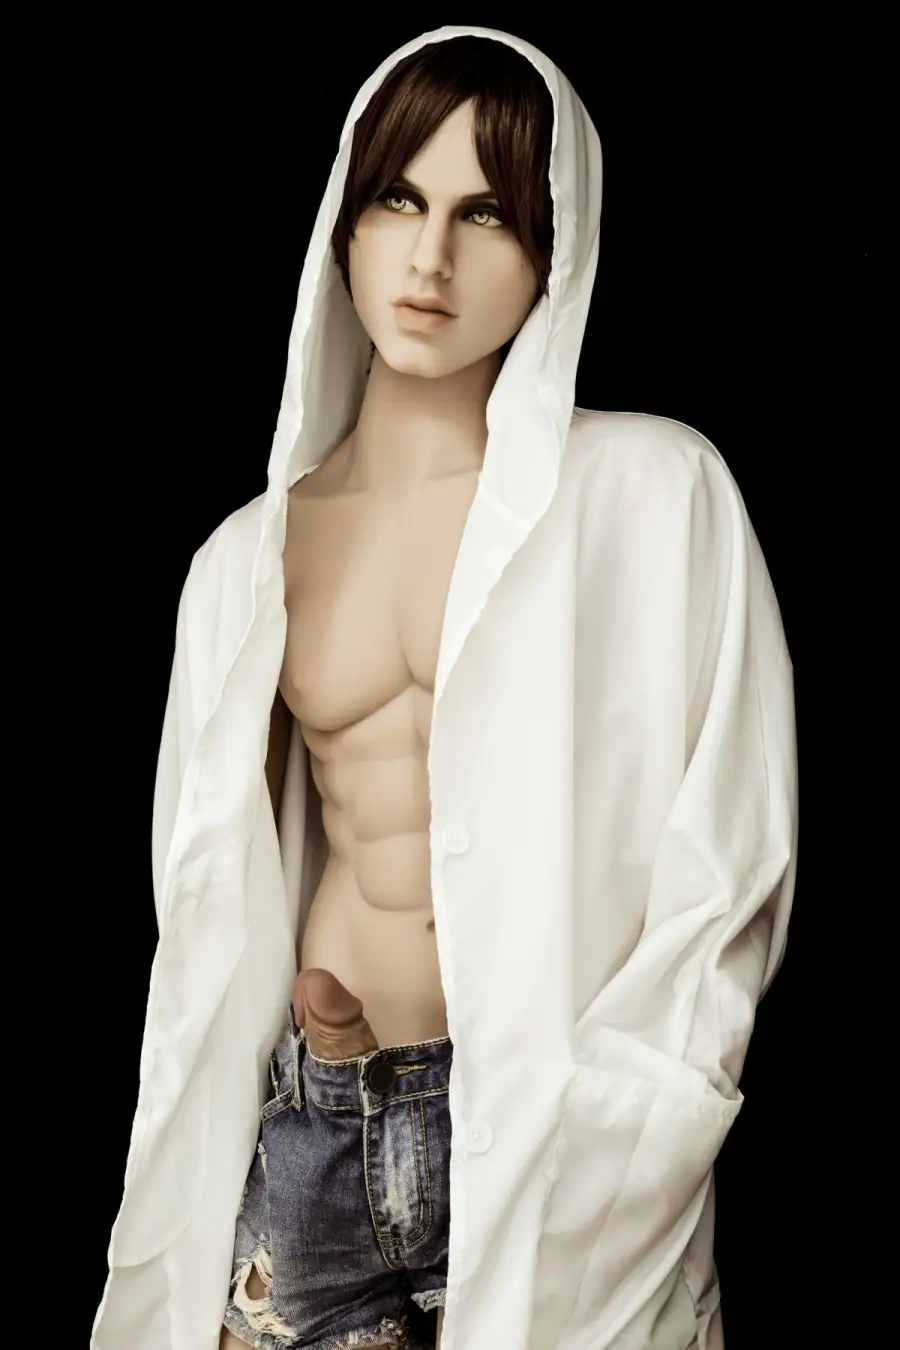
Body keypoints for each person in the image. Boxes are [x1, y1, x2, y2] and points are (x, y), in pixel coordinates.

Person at [92, 24, 798, 1350]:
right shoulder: (247, 561)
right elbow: (206, 898)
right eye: (400, 200)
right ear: (344, 225)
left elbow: (729, 862)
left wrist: (640, 1119)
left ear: (552, 253)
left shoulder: (654, 494)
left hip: (556, 1137)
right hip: (317, 1117)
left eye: (487, 214)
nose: (431, 259)